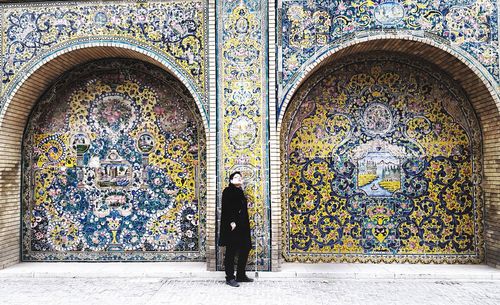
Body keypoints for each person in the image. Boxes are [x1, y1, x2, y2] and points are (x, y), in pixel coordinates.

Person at [219, 171, 254, 287]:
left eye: (240, 177)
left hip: (242, 226)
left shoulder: (240, 191)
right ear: (231, 180)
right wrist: (232, 221)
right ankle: (229, 277)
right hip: (233, 226)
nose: (238, 178)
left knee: (245, 248)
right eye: (235, 177)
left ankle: (241, 275)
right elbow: (227, 208)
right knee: (231, 251)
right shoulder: (228, 191)